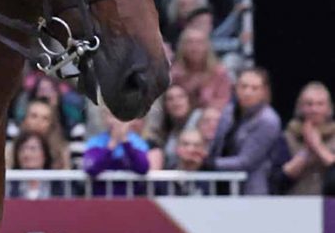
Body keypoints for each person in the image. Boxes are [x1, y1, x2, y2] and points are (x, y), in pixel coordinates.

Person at [206, 67, 282, 195]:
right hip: (220, 184)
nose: (247, 92)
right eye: (243, 86)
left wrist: (211, 164)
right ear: (235, 88)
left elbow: (246, 161)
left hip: (251, 190)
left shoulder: (268, 120)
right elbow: (217, 145)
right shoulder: (228, 111)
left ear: (264, 92)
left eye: (254, 88)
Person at [277, 82, 335, 195]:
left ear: (329, 108)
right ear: (300, 107)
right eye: (309, 104)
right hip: (296, 203)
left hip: (330, 207)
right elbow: (279, 179)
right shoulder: (287, 137)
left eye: (320, 104)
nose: (314, 109)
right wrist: (306, 151)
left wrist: (318, 147)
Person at [83, 110, 151, 196]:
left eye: (121, 116)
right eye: (112, 116)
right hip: (101, 200)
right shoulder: (95, 142)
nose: (117, 121)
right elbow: (91, 169)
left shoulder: (137, 142)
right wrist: (111, 145)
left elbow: (143, 167)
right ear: (105, 118)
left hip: (131, 201)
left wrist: (125, 142)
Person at [170, 26, 232, 112]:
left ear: (207, 46)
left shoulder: (219, 72)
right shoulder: (174, 73)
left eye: (199, 43)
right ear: (182, 47)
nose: (194, 47)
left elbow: (223, 102)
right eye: (189, 42)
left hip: (210, 118)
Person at [142, 83, 196, 167]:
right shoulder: (167, 132)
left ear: (189, 100)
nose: (176, 102)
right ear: (165, 105)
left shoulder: (198, 121)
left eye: (181, 97)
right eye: (170, 99)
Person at [7, 131, 61, 200]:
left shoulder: (58, 185)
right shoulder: (9, 186)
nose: (26, 154)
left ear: (45, 154)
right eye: (22, 149)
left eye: (33, 149)